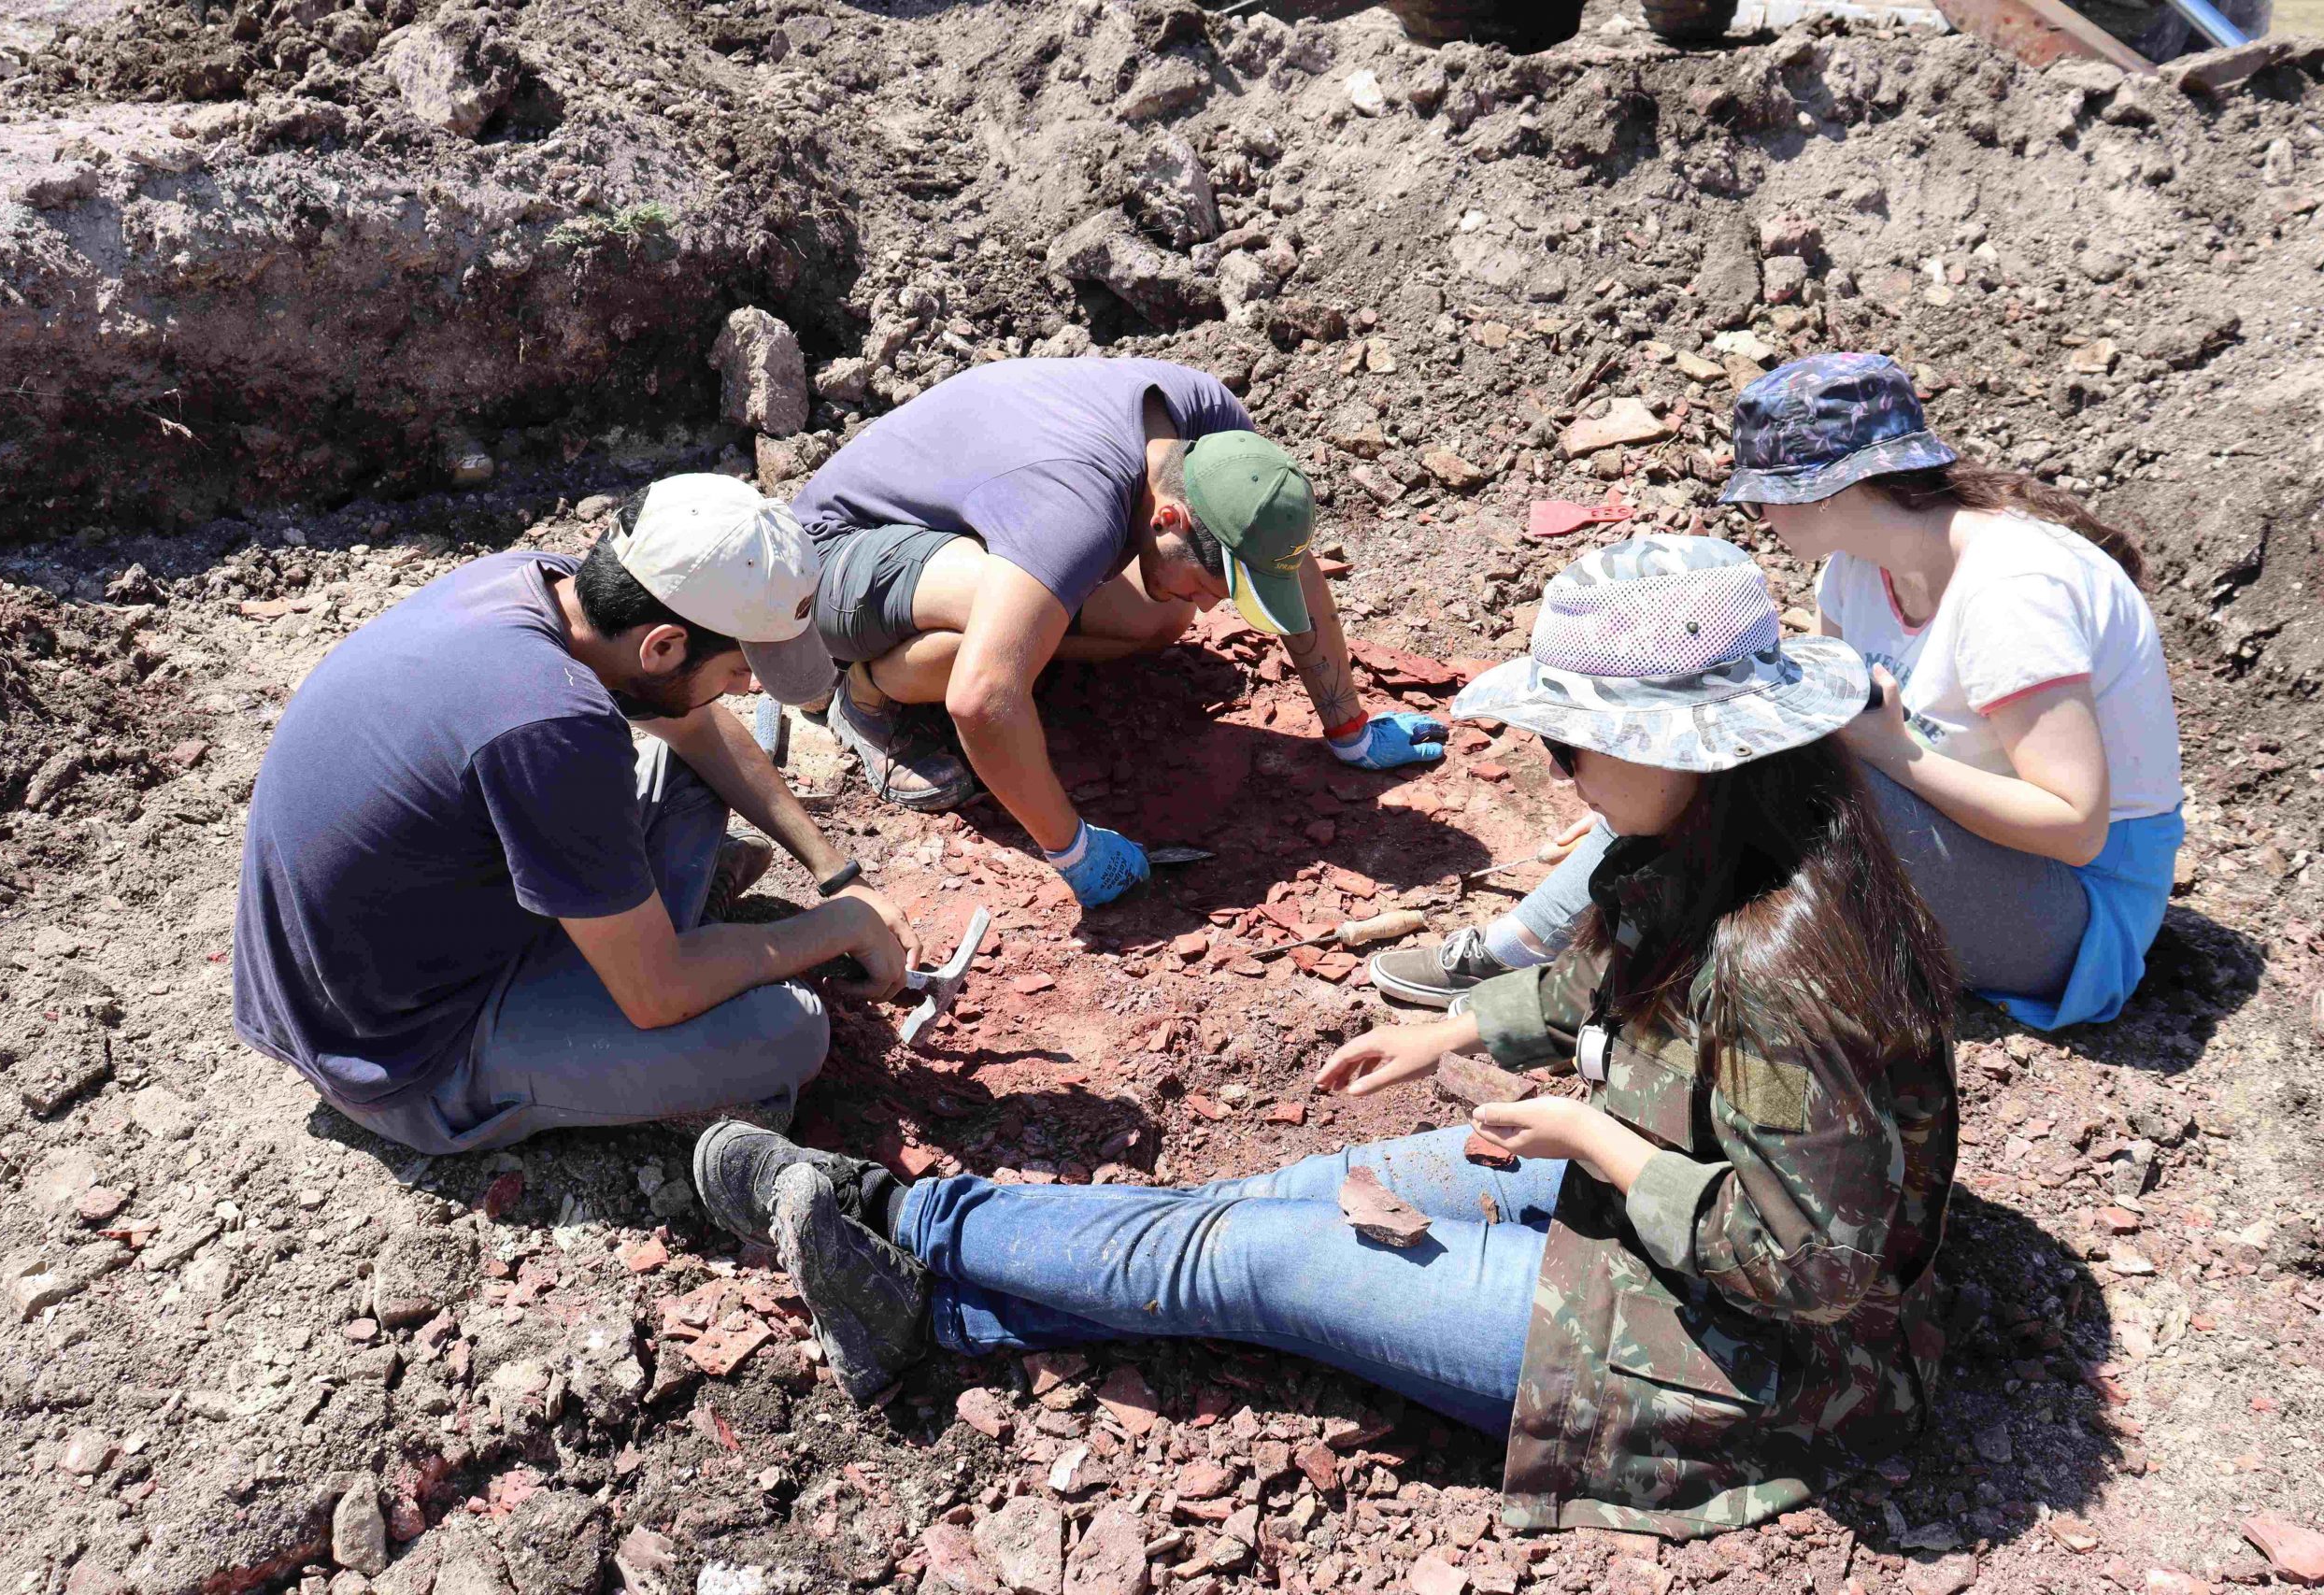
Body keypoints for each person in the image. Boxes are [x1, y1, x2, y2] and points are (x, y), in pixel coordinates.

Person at [687, 537, 1962, 1539]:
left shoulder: (1786, 962)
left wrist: (1592, 1140)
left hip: (1747, 1353)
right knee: (1274, 1204)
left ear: (1683, 748)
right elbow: (1602, 977)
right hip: (1652, 1198)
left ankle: (891, 1212)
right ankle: (926, 1307)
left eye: (1575, 742)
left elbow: (1811, 1267)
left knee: (1259, 1263)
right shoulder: (1703, 838)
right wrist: (1458, 1025)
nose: (1558, 768)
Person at [1377, 352, 2183, 1032]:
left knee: (1767, 757)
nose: (1756, 511)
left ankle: (1546, 959)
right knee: (1746, 743)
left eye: (1764, 492)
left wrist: (1896, 753)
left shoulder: (2014, 591)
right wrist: (1630, 802)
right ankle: (1560, 939)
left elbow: (2075, 828)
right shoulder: (1858, 570)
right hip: (1965, 852)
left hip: (2076, 916)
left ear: (1830, 489)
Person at [233, 475, 923, 1155]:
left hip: (367, 957)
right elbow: (659, 993)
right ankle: (655, 1005)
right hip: (402, 1052)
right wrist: (836, 927)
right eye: (741, 670)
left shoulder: (552, 586)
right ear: (663, 645)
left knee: (691, 768)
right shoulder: (551, 724)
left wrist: (839, 876)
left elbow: (697, 726)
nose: (747, 688)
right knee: (789, 1031)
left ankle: (650, 934)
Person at [791, 357, 1445, 907]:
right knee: (1001, 634)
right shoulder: (1074, 512)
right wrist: (1074, 849)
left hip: (962, 512)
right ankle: (866, 695)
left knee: (1159, 612)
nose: (1212, 609)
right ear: (1170, 518)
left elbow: (1282, 554)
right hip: (829, 561)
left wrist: (1350, 728)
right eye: (1212, 584)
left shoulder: (1212, 432)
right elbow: (981, 699)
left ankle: (1005, 647)